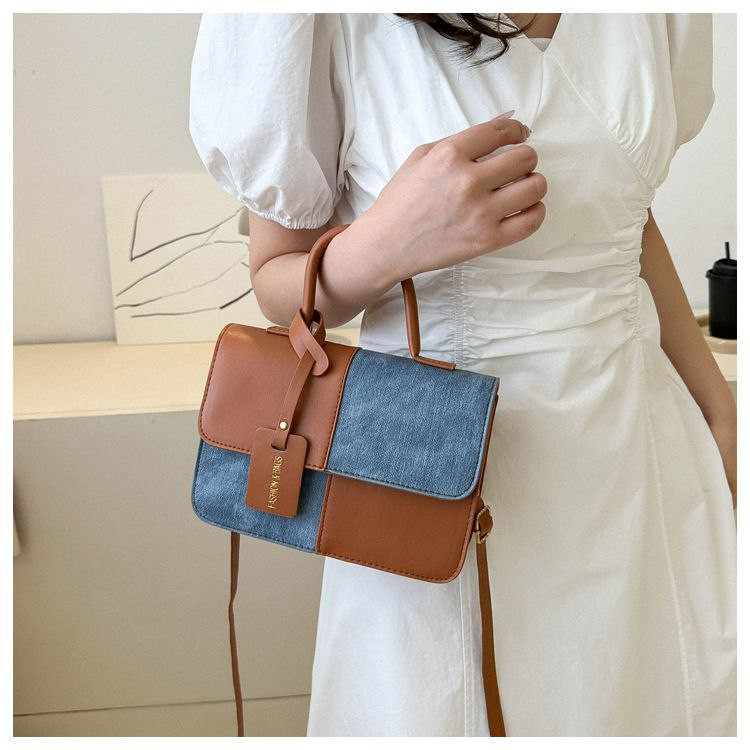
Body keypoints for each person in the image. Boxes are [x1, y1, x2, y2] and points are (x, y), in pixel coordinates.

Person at [189, 13, 737, 736]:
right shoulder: (318, 21)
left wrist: (717, 407)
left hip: (643, 454)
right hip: (432, 472)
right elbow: (275, 278)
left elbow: (623, 221)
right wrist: (385, 244)